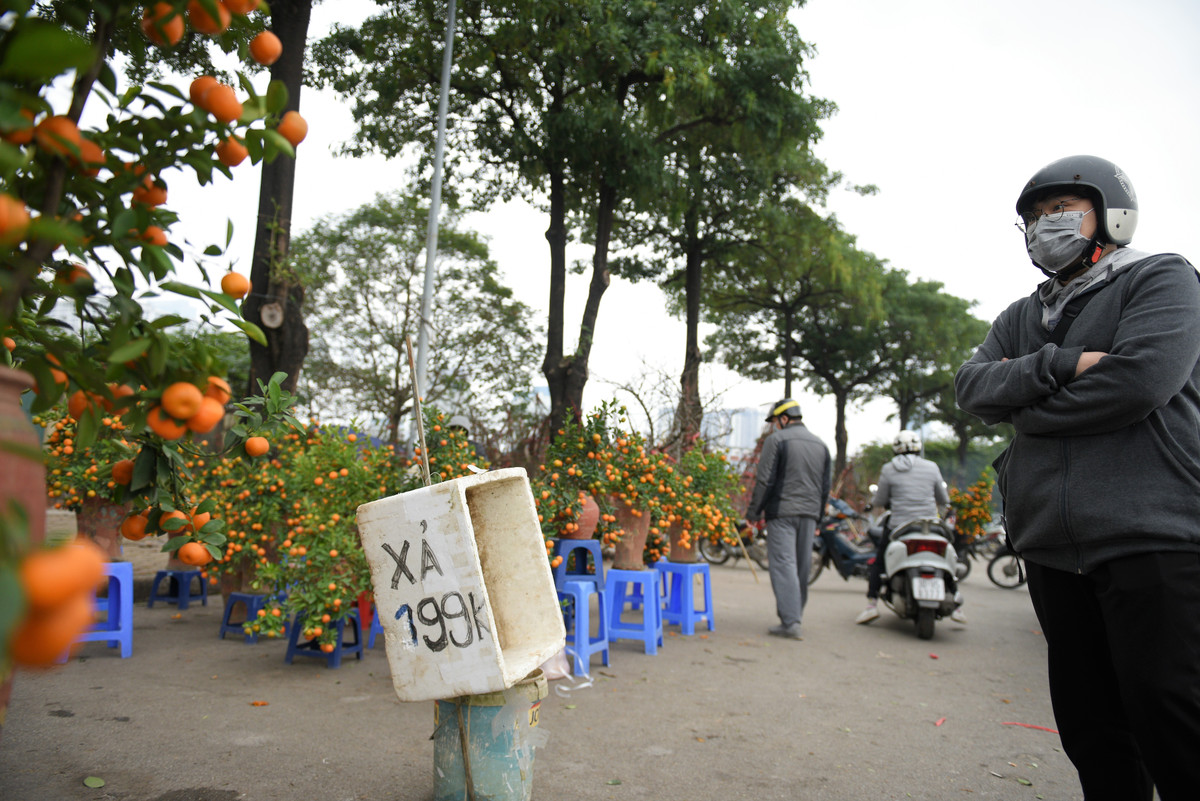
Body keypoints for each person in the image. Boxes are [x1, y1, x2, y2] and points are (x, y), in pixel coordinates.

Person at [954, 155, 1200, 800]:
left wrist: (1026, 411)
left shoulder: (1163, 280)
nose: (1044, 226)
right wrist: (1066, 362)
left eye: (1061, 210)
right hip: (1052, 548)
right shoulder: (1021, 314)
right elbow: (972, 387)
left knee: (1169, 714)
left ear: (1111, 213)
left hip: (1152, 532)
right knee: (1091, 728)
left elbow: (1139, 382)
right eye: (1033, 218)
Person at [744, 398, 831, 640]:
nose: (773, 427)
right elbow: (826, 487)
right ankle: (793, 616)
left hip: (782, 513)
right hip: (810, 514)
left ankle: (791, 622)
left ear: (784, 418)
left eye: (774, 422)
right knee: (802, 567)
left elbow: (765, 480)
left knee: (784, 565)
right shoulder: (821, 444)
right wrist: (819, 518)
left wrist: (753, 513)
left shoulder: (777, 440)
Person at [855, 430, 957, 624]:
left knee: (879, 561)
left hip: (898, 526)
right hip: (929, 525)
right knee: (946, 555)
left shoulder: (888, 468)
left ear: (896, 449)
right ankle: (956, 597)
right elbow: (943, 498)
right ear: (919, 447)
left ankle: (871, 604)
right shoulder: (932, 467)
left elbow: (881, 499)